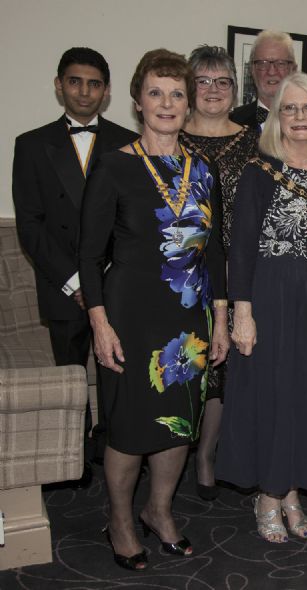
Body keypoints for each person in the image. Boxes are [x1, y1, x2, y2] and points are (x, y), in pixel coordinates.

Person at [79, 49, 228, 571]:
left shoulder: (203, 169)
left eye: (177, 94)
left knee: (179, 424)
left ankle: (159, 510)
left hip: (189, 318)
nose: (167, 103)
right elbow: (89, 254)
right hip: (129, 318)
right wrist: (99, 325)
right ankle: (119, 518)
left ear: (188, 106)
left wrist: (223, 320)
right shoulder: (113, 166)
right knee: (129, 426)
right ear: (139, 102)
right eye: (156, 93)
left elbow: (216, 252)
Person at [216, 73, 307, 544]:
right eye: (289, 109)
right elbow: (241, 250)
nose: (299, 117)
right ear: (277, 118)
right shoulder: (258, 172)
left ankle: (292, 490)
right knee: (277, 398)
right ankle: (270, 495)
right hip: (274, 297)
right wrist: (243, 312)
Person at [12, 47, 138, 487]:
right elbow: (30, 225)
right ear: (59, 84)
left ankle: (112, 444)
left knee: (115, 369)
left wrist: (104, 281)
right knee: (70, 371)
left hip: (115, 282)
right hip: (62, 282)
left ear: (106, 92)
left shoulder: (128, 142)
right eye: (75, 81)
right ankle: (75, 453)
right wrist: (75, 282)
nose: (84, 91)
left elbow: (131, 222)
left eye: (94, 83)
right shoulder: (30, 145)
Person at [180, 45, 260, 501]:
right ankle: (171, 451)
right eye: (203, 81)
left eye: (222, 82)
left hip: (240, 271)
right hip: (182, 275)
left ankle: (208, 453)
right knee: (184, 362)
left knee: (223, 371)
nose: (212, 90)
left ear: (235, 90)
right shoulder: (170, 135)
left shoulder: (255, 141)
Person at [229, 30, 298, 130]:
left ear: (293, 70)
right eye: (263, 63)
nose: (271, 71)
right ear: (252, 70)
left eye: (280, 63)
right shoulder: (232, 120)